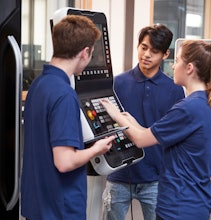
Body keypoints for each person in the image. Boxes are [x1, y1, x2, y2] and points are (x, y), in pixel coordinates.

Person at [100, 39, 211, 219]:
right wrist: (131, 121)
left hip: (179, 205)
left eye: (177, 61)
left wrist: (116, 115)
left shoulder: (188, 108)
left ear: (189, 68)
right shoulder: (208, 103)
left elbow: (141, 140)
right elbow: (151, 133)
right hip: (196, 201)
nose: (174, 66)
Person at [21, 15, 115, 220]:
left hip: (37, 204)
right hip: (59, 209)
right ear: (85, 52)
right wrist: (97, 149)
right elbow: (64, 162)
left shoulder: (37, 85)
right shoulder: (63, 94)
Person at [102, 24, 185, 220]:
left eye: (154, 51)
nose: (146, 54)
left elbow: (174, 136)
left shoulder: (174, 90)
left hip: (156, 178)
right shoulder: (117, 83)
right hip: (119, 174)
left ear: (165, 54)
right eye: (143, 47)